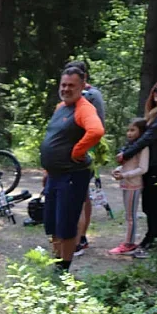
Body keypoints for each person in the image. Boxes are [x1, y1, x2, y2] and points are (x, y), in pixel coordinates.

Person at [38, 66, 104, 272]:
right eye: (63, 85)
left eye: (71, 85)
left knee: (66, 223)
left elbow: (96, 130)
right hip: (55, 174)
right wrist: (48, 170)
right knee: (52, 222)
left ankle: (63, 269)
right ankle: (56, 260)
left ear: (82, 86)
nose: (66, 89)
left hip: (72, 175)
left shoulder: (84, 107)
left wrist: (77, 152)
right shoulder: (61, 107)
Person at [118, 78, 157, 252]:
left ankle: (153, 238)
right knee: (149, 203)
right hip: (151, 163)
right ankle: (153, 236)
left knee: (151, 202)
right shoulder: (155, 113)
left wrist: (126, 154)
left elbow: (149, 136)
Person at [65, 60, 106, 256]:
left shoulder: (91, 96)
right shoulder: (69, 100)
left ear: (83, 79)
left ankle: (80, 238)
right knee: (81, 197)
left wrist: (78, 151)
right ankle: (78, 236)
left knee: (81, 198)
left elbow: (96, 128)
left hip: (83, 154)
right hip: (74, 155)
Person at [109, 118, 149, 257]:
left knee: (131, 216)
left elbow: (143, 168)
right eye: (128, 130)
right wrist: (118, 170)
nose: (129, 133)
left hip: (134, 185)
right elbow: (127, 164)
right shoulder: (130, 147)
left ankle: (129, 244)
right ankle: (128, 242)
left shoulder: (143, 148)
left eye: (133, 130)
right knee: (128, 215)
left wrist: (125, 174)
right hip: (126, 184)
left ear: (141, 131)